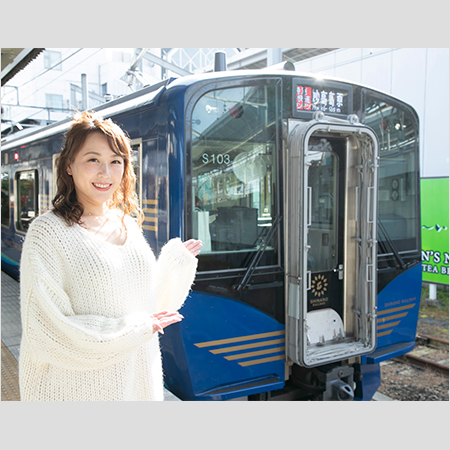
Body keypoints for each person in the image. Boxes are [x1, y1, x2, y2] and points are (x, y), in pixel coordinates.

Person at [18, 111, 202, 401]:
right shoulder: (48, 232)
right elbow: (47, 331)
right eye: (93, 159)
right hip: (77, 393)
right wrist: (138, 328)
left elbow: (147, 305)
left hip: (137, 384)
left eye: (116, 161)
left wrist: (175, 264)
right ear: (68, 165)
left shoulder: (124, 222)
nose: (106, 173)